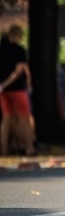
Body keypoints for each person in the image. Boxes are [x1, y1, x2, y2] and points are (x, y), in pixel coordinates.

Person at [0, 25, 36, 156]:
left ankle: (4, 148)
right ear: (18, 35)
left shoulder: (1, 50)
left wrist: (2, 86)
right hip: (17, 89)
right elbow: (18, 70)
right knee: (24, 118)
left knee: (6, 118)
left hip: (2, 91)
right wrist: (6, 83)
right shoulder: (19, 50)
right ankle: (28, 147)